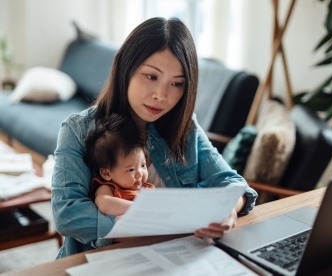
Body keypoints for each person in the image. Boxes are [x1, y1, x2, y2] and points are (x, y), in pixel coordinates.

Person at [51, 17, 258, 258]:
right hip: (103, 260)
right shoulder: (77, 130)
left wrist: (229, 210)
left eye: (177, 84)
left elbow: (232, 183)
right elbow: (67, 214)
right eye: (151, 76)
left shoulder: (185, 126)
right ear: (125, 69)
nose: (161, 95)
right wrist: (159, 228)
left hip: (178, 256)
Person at [84, 113, 155, 217]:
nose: (140, 173)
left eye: (143, 165)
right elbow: (104, 204)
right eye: (131, 170)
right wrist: (141, 208)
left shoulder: (146, 188)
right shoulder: (109, 188)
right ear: (106, 173)